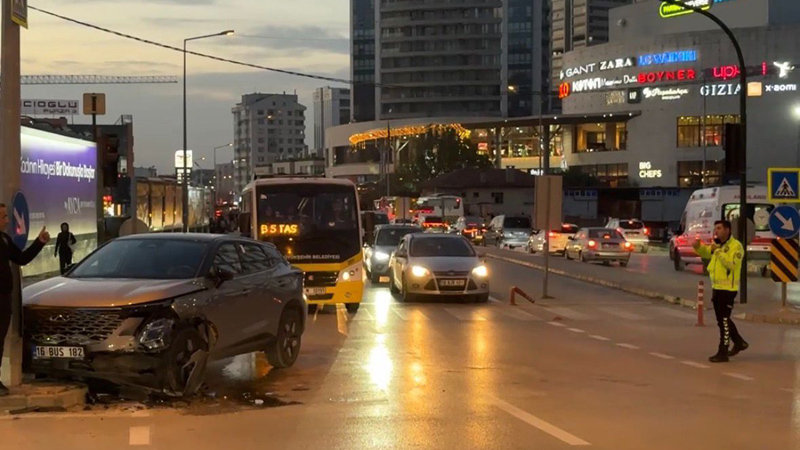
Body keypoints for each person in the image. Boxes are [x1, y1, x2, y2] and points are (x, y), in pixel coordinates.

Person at [0, 203, 50, 396]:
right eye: (3, 217)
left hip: (4, 298)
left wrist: (39, 242)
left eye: (6, 216)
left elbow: (21, 258)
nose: (6, 221)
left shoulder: (4, 239)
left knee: (0, 339)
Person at [693, 220, 749, 363]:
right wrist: (698, 247)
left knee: (723, 320)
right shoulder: (717, 245)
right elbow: (706, 253)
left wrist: (718, 252)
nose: (716, 231)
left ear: (727, 230)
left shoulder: (736, 246)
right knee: (722, 319)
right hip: (717, 287)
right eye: (715, 228)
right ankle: (739, 342)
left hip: (728, 289)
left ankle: (723, 352)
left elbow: (732, 264)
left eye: (719, 228)